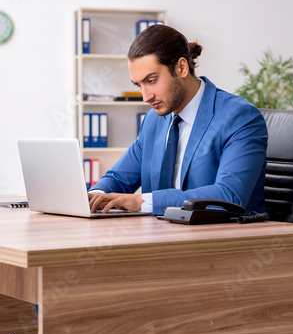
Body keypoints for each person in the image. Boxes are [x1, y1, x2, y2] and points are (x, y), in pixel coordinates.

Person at [88, 25, 268, 216]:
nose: (145, 97)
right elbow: (119, 178)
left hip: (223, 239)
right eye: (138, 85)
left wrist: (141, 201)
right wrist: (95, 197)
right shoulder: (153, 120)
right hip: (161, 236)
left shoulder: (240, 118)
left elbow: (229, 195)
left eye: (151, 81)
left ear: (181, 68)